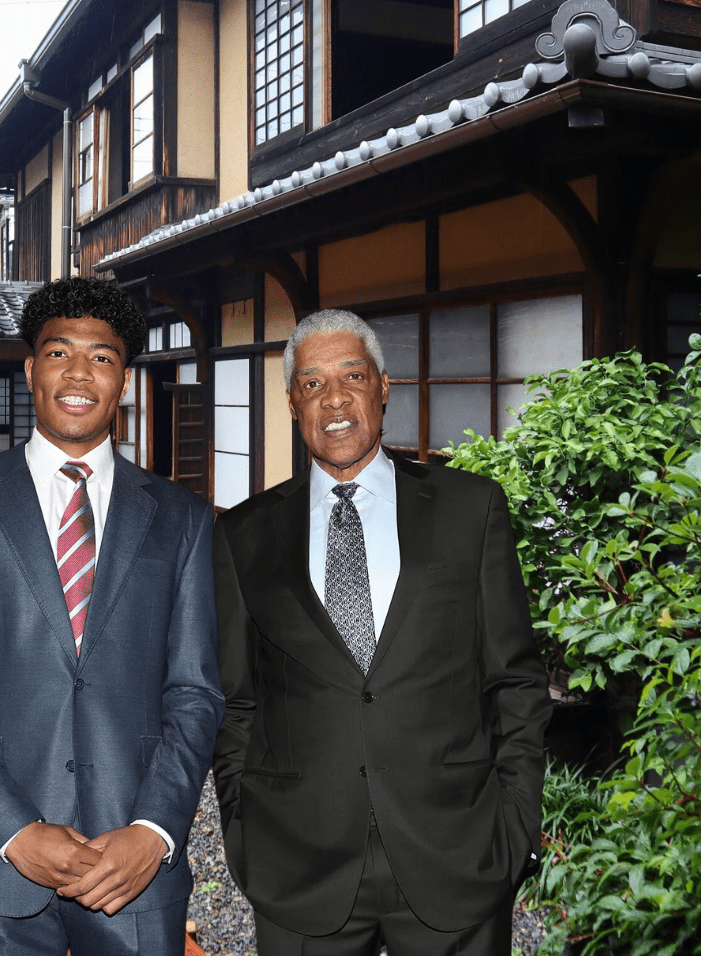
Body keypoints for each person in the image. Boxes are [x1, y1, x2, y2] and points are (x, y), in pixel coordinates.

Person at [0, 276, 224, 956]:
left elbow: (194, 691)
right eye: (59, 353)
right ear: (29, 370)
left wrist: (155, 830)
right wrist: (14, 827)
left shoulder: (183, 519)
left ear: (125, 381)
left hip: (132, 865)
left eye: (102, 357)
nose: (80, 373)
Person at [212, 308, 551, 956]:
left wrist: (515, 823)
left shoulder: (468, 508)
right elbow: (237, 702)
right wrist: (244, 830)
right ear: (291, 401)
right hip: (300, 865)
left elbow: (516, 679)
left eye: (352, 376)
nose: (334, 400)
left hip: (458, 853)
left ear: (384, 385)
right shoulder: (242, 536)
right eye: (311, 384)